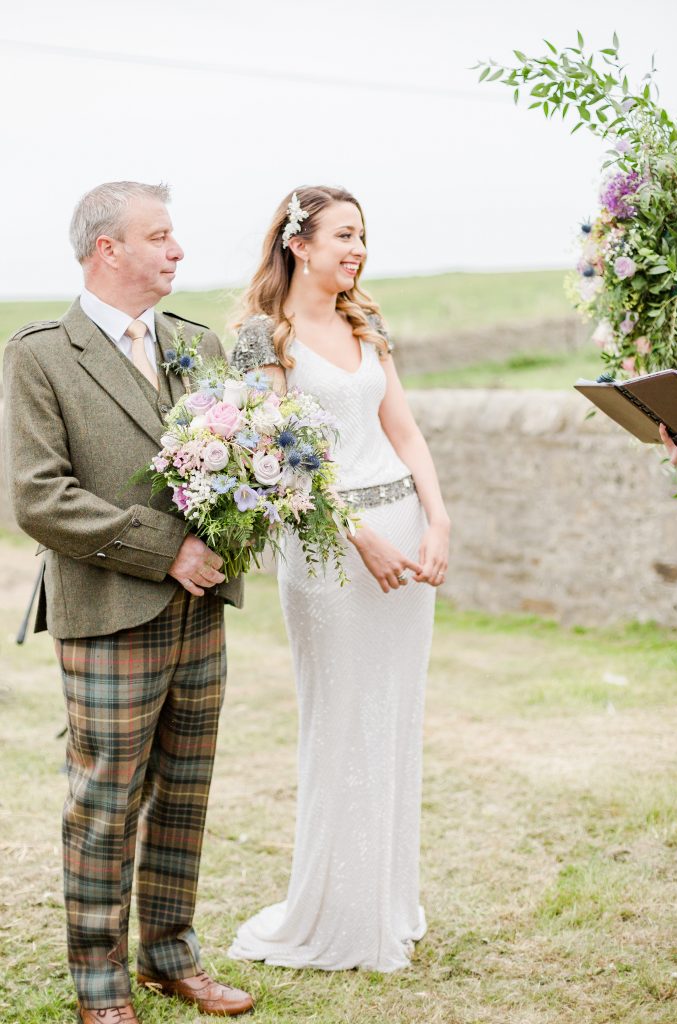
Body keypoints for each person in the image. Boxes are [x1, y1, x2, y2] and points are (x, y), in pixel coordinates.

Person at [3, 182, 254, 1022]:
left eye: (174, 234)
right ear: (107, 248)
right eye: (160, 235)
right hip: (107, 609)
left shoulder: (196, 341)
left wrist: (233, 530)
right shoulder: (40, 353)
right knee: (106, 802)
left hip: (202, 607)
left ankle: (170, 956)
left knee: (185, 790)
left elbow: (241, 457)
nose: (177, 249)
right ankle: (100, 985)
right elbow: (39, 497)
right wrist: (165, 549)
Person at [228, 186, 450, 971]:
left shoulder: (367, 322)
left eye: (363, 236)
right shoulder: (263, 338)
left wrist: (437, 521)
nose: (357, 249)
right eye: (344, 235)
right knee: (340, 717)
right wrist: (358, 537)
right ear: (299, 243)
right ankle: (335, 913)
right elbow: (281, 459)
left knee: (393, 714)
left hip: (403, 535)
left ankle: (386, 901)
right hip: (327, 551)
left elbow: (405, 431)